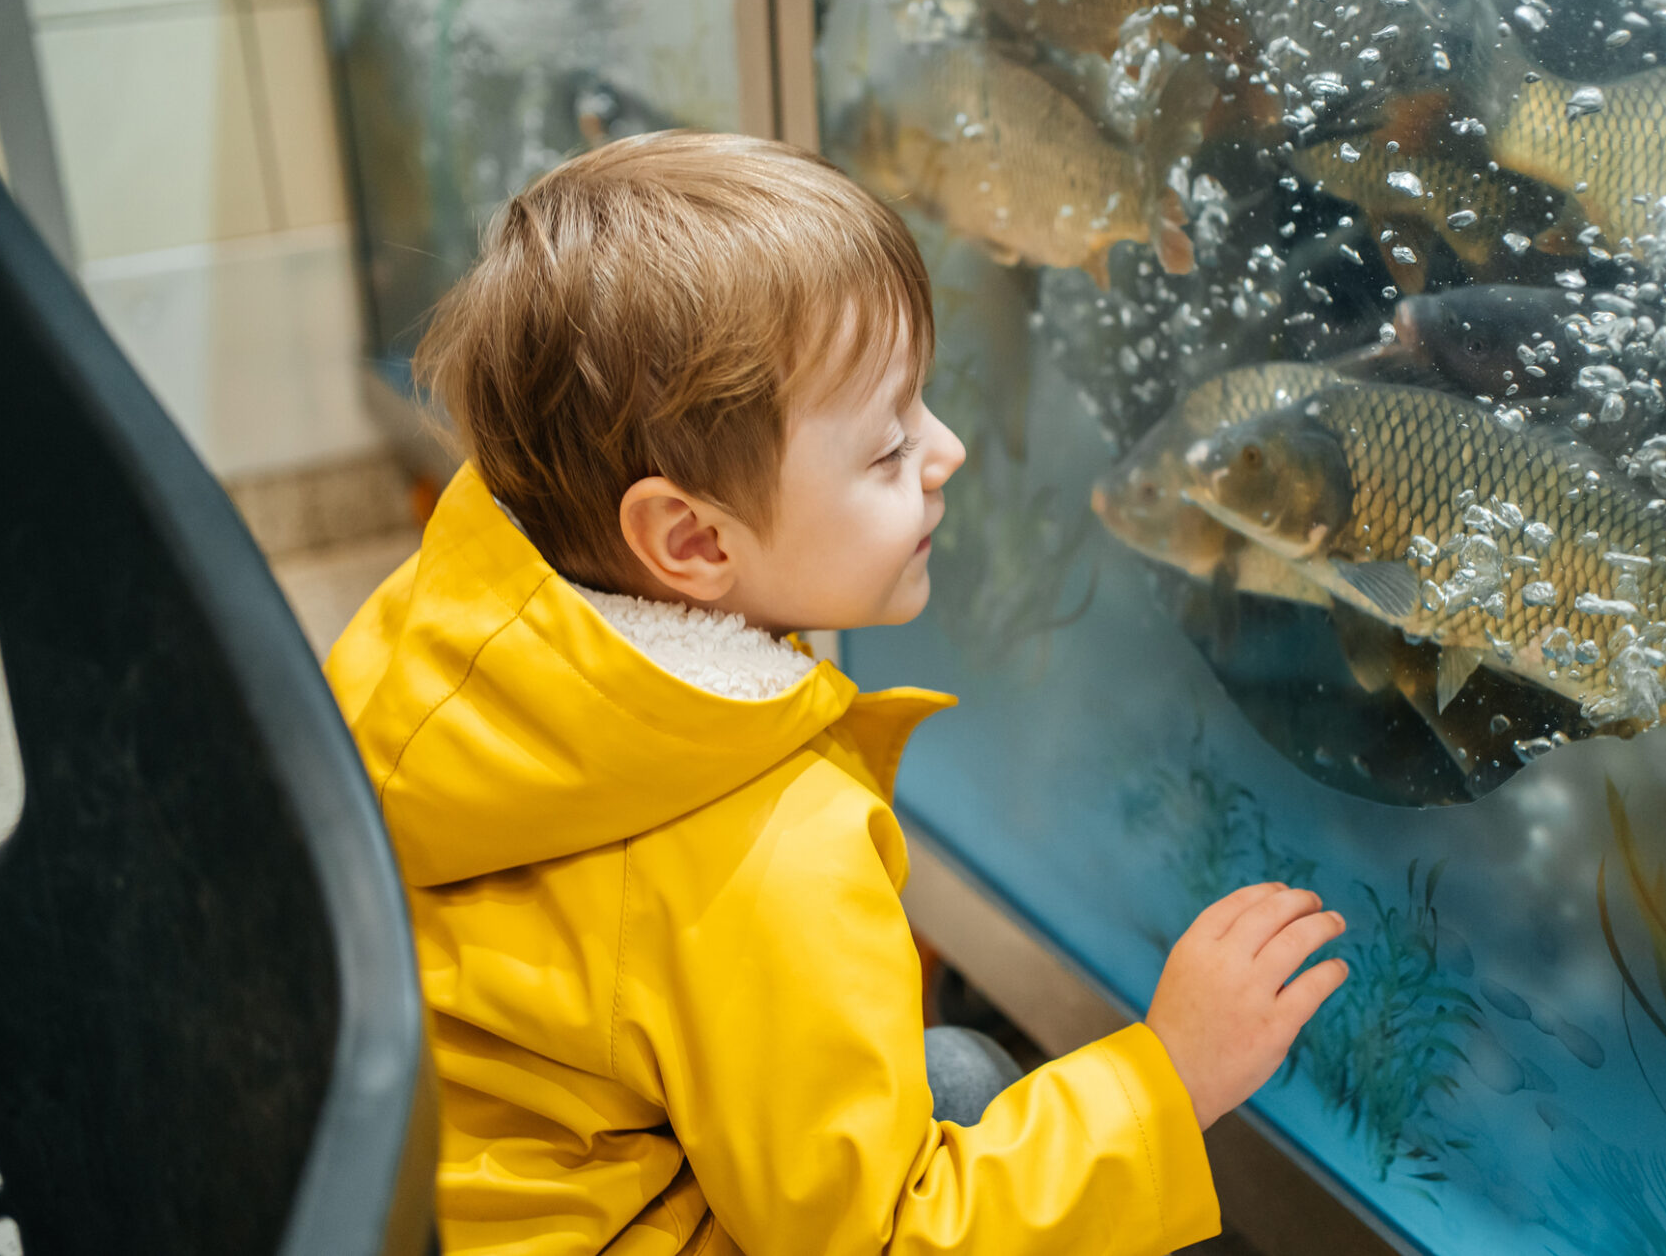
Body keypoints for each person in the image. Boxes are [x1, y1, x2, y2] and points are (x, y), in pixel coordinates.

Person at [325, 129, 1349, 1256]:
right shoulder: (762, 853)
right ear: (686, 538)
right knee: (971, 1088)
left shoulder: (454, 638)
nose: (946, 452)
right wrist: (1170, 1076)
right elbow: (878, 1242)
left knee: (951, 1072)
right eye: (884, 450)